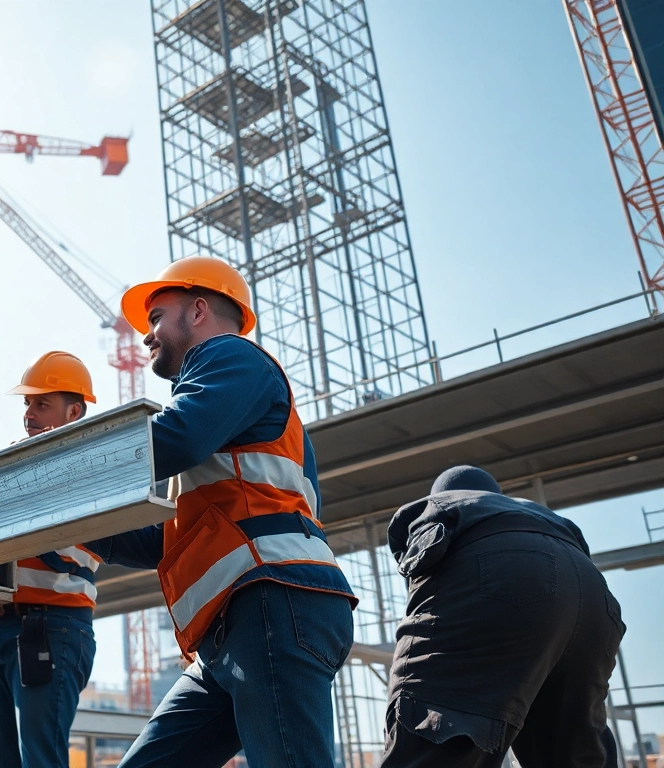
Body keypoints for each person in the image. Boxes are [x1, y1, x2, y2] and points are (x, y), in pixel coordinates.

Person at [87, 256, 356, 767]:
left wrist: (68, 469)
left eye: (157, 317)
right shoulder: (220, 420)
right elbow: (162, 541)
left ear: (199, 311)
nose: (148, 335)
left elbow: (177, 437)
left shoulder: (230, 356)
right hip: (238, 622)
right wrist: (72, 527)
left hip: (270, 600)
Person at [380, 465, 626, 768]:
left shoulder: (445, 504)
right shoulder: (539, 514)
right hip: (592, 597)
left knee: (436, 731)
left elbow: (423, 581)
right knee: (577, 752)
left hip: (501, 574)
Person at [0, 352, 100, 768]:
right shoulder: (13, 461)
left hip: (52, 627)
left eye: (41, 404)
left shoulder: (92, 466)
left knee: (40, 760)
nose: (28, 414)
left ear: (74, 411)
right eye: (27, 404)